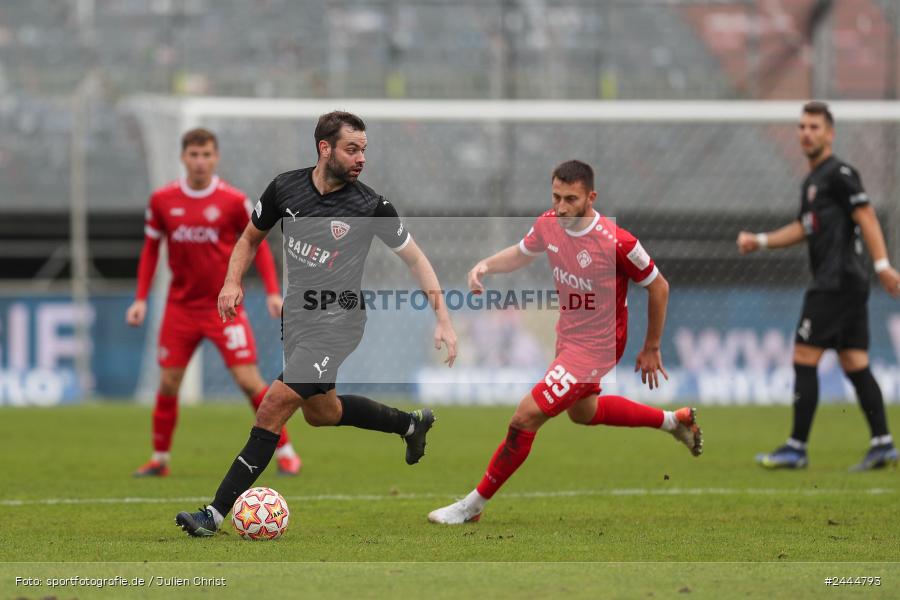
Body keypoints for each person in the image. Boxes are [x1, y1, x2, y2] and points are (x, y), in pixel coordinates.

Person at [175, 111, 458, 537]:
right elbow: (250, 237)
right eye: (352, 148)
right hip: (299, 319)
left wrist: (442, 318)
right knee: (322, 413)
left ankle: (212, 515)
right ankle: (409, 424)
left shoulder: (371, 206)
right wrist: (232, 281)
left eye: (364, 149)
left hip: (340, 322)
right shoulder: (284, 188)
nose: (361, 157)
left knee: (272, 407)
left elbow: (416, 259)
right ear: (324, 148)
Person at [428, 160, 702, 525]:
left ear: (591, 197)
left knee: (526, 416)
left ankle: (472, 506)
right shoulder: (549, 223)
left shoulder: (618, 242)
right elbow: (522, 252)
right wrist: (485, 266)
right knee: (583, 413)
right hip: (569, 337)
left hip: (598, 346)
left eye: (570, 199)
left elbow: (659, 286)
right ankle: (674, 421)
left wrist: (651, 346)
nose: (560, 207)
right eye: (556, 196)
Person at [126, 128, 302, 477]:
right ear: (183, 157)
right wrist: (141, 298)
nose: (200, 161)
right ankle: (159, 460)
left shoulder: (233, 200)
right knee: (168, 384)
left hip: (225, 308)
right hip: (180, 308)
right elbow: (150, 250)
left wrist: (271, 290)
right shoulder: (162, 200)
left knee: (250, 382)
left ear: (215, 157)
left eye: (206, 154)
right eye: (194, 154)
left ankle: (286, 452)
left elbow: (258, 244)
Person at [738, 101, 900, 471]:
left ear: (830, 133)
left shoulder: (840, 173)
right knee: (854, 361)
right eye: (802, 126)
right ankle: (883, 443)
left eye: (814, 126)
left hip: (836, 282)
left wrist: (883, 265)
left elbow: (868, 215)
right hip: (847, 282)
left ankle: (796, 447)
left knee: (804, 356)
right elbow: (803, 228)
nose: (806, 133)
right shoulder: (812, 182)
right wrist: (760, 241)